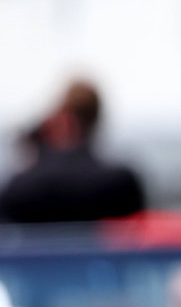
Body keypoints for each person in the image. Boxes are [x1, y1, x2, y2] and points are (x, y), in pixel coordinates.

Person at [0, 79, 145, 224]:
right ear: (95, 120)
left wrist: (37, 151)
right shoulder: (120, 183)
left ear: (64, 120)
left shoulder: (20, 188)